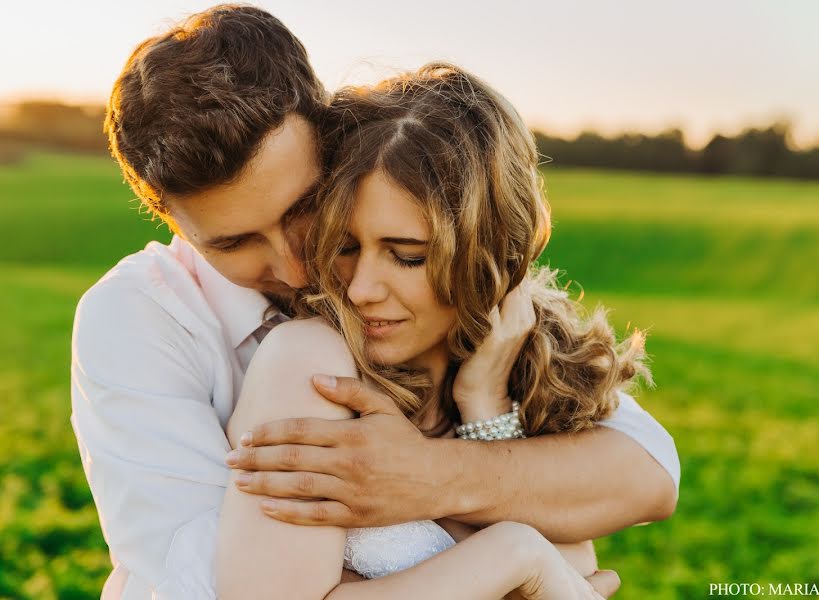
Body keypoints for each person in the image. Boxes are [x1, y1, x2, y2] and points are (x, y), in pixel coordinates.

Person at [70, 5, 679, 599]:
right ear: (169, 220)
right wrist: (513, 557)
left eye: (303, 209)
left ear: (332, 144)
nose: (293, 266)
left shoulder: (436, 285)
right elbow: (201, 587)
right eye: (234, 243)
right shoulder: (138, 320)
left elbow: (645, 473)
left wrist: (453, 444)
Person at [216, 62, 663, 599]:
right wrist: (514, 554)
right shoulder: (309, 363)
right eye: (346, 248)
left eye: (406, 257)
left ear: (487, 256)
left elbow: (604, 537)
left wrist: (483, 403)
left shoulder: (513, 375)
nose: (360, 290)